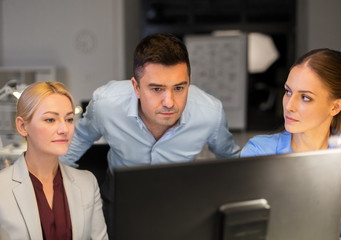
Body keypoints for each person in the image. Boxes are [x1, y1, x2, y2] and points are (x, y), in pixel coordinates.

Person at [60, 33, 241, 237]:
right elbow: (77, 141)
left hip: (179, 194)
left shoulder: (210, 112)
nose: (169, 102)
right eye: (157, 89)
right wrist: (54, 187)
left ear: (189, 82)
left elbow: (232, 161)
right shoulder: (106, 104)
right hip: (120, 194)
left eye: (179, 88)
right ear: (136, 87)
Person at [240, 48, 341, 239]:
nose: (289, 106)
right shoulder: (258, 152)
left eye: (305, 97)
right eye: (288, 92)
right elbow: (245, 230)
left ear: (335, 106)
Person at [0, 82, 108, 240]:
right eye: (50, 120)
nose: (64, 129)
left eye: (69, 119)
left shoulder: (87, 183)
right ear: (22, 126)